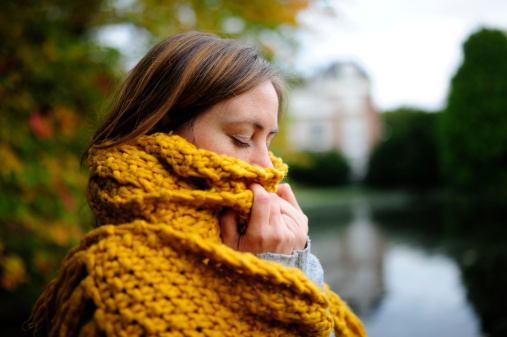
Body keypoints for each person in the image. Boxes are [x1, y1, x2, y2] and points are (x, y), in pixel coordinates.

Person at [28, 31, 366, 337]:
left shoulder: (263, 243)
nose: (268, 168)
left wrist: (293, 267)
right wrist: (271, 282)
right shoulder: (113, 284)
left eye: (269, 141)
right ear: (160, 130)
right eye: (242, 138)